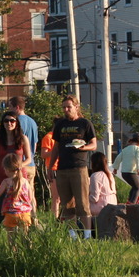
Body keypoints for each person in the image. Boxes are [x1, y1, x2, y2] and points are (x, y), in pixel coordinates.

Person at [50, 96, 98, 232]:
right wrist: (50, 167)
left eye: (69, 107)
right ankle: (72, 235)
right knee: (67, 205)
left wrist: (83, 147)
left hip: (79, 167)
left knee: (82, 204)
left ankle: (87, 235)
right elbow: (56, 147)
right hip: (62, 168)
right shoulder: (60, 124)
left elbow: (94, 144)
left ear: (76, 107)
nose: (66, 110)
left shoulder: (85, 123)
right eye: (64, 107)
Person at [0, 113, 31, 228]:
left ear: (16, 123)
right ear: (2, 123)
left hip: (19, 177)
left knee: (20, 203)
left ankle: (24, 228)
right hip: (2, 176)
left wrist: (17, 166)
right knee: (1, 205)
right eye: (6, 121)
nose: (9, 123)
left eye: (12, 121)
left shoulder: (23, 139)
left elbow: (29, 158)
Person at [0, 153, 36, 237]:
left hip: (11, 214)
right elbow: (30, 198)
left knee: (10, 237)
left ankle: (11, 246)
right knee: (25, 237)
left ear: (7, 169)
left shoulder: (6, 182)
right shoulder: (25, 181)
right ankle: (26, 245)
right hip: (25, 213)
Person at [113, 132, 139, 202]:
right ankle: (132, 203)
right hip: (131, 172)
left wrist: (115, 168)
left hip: (124, 173)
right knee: (137, 187)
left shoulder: (125, 149)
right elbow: (138, 159)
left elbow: (118, 158)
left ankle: (129, 201)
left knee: (134, 186)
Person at [38, 127, 59, 219]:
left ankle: (64, 219)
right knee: (56, 197)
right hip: (54, 168)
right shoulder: (48, 137)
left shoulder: (62, 137)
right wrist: (56, 151)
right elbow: (43, 154)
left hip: (63, 167)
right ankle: (55, 220)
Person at [88, 150, 116, 219]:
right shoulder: (109, 174)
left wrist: (85, 197)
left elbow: (94, 198)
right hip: (113, 203)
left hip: (101, 207)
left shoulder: (95, 176)